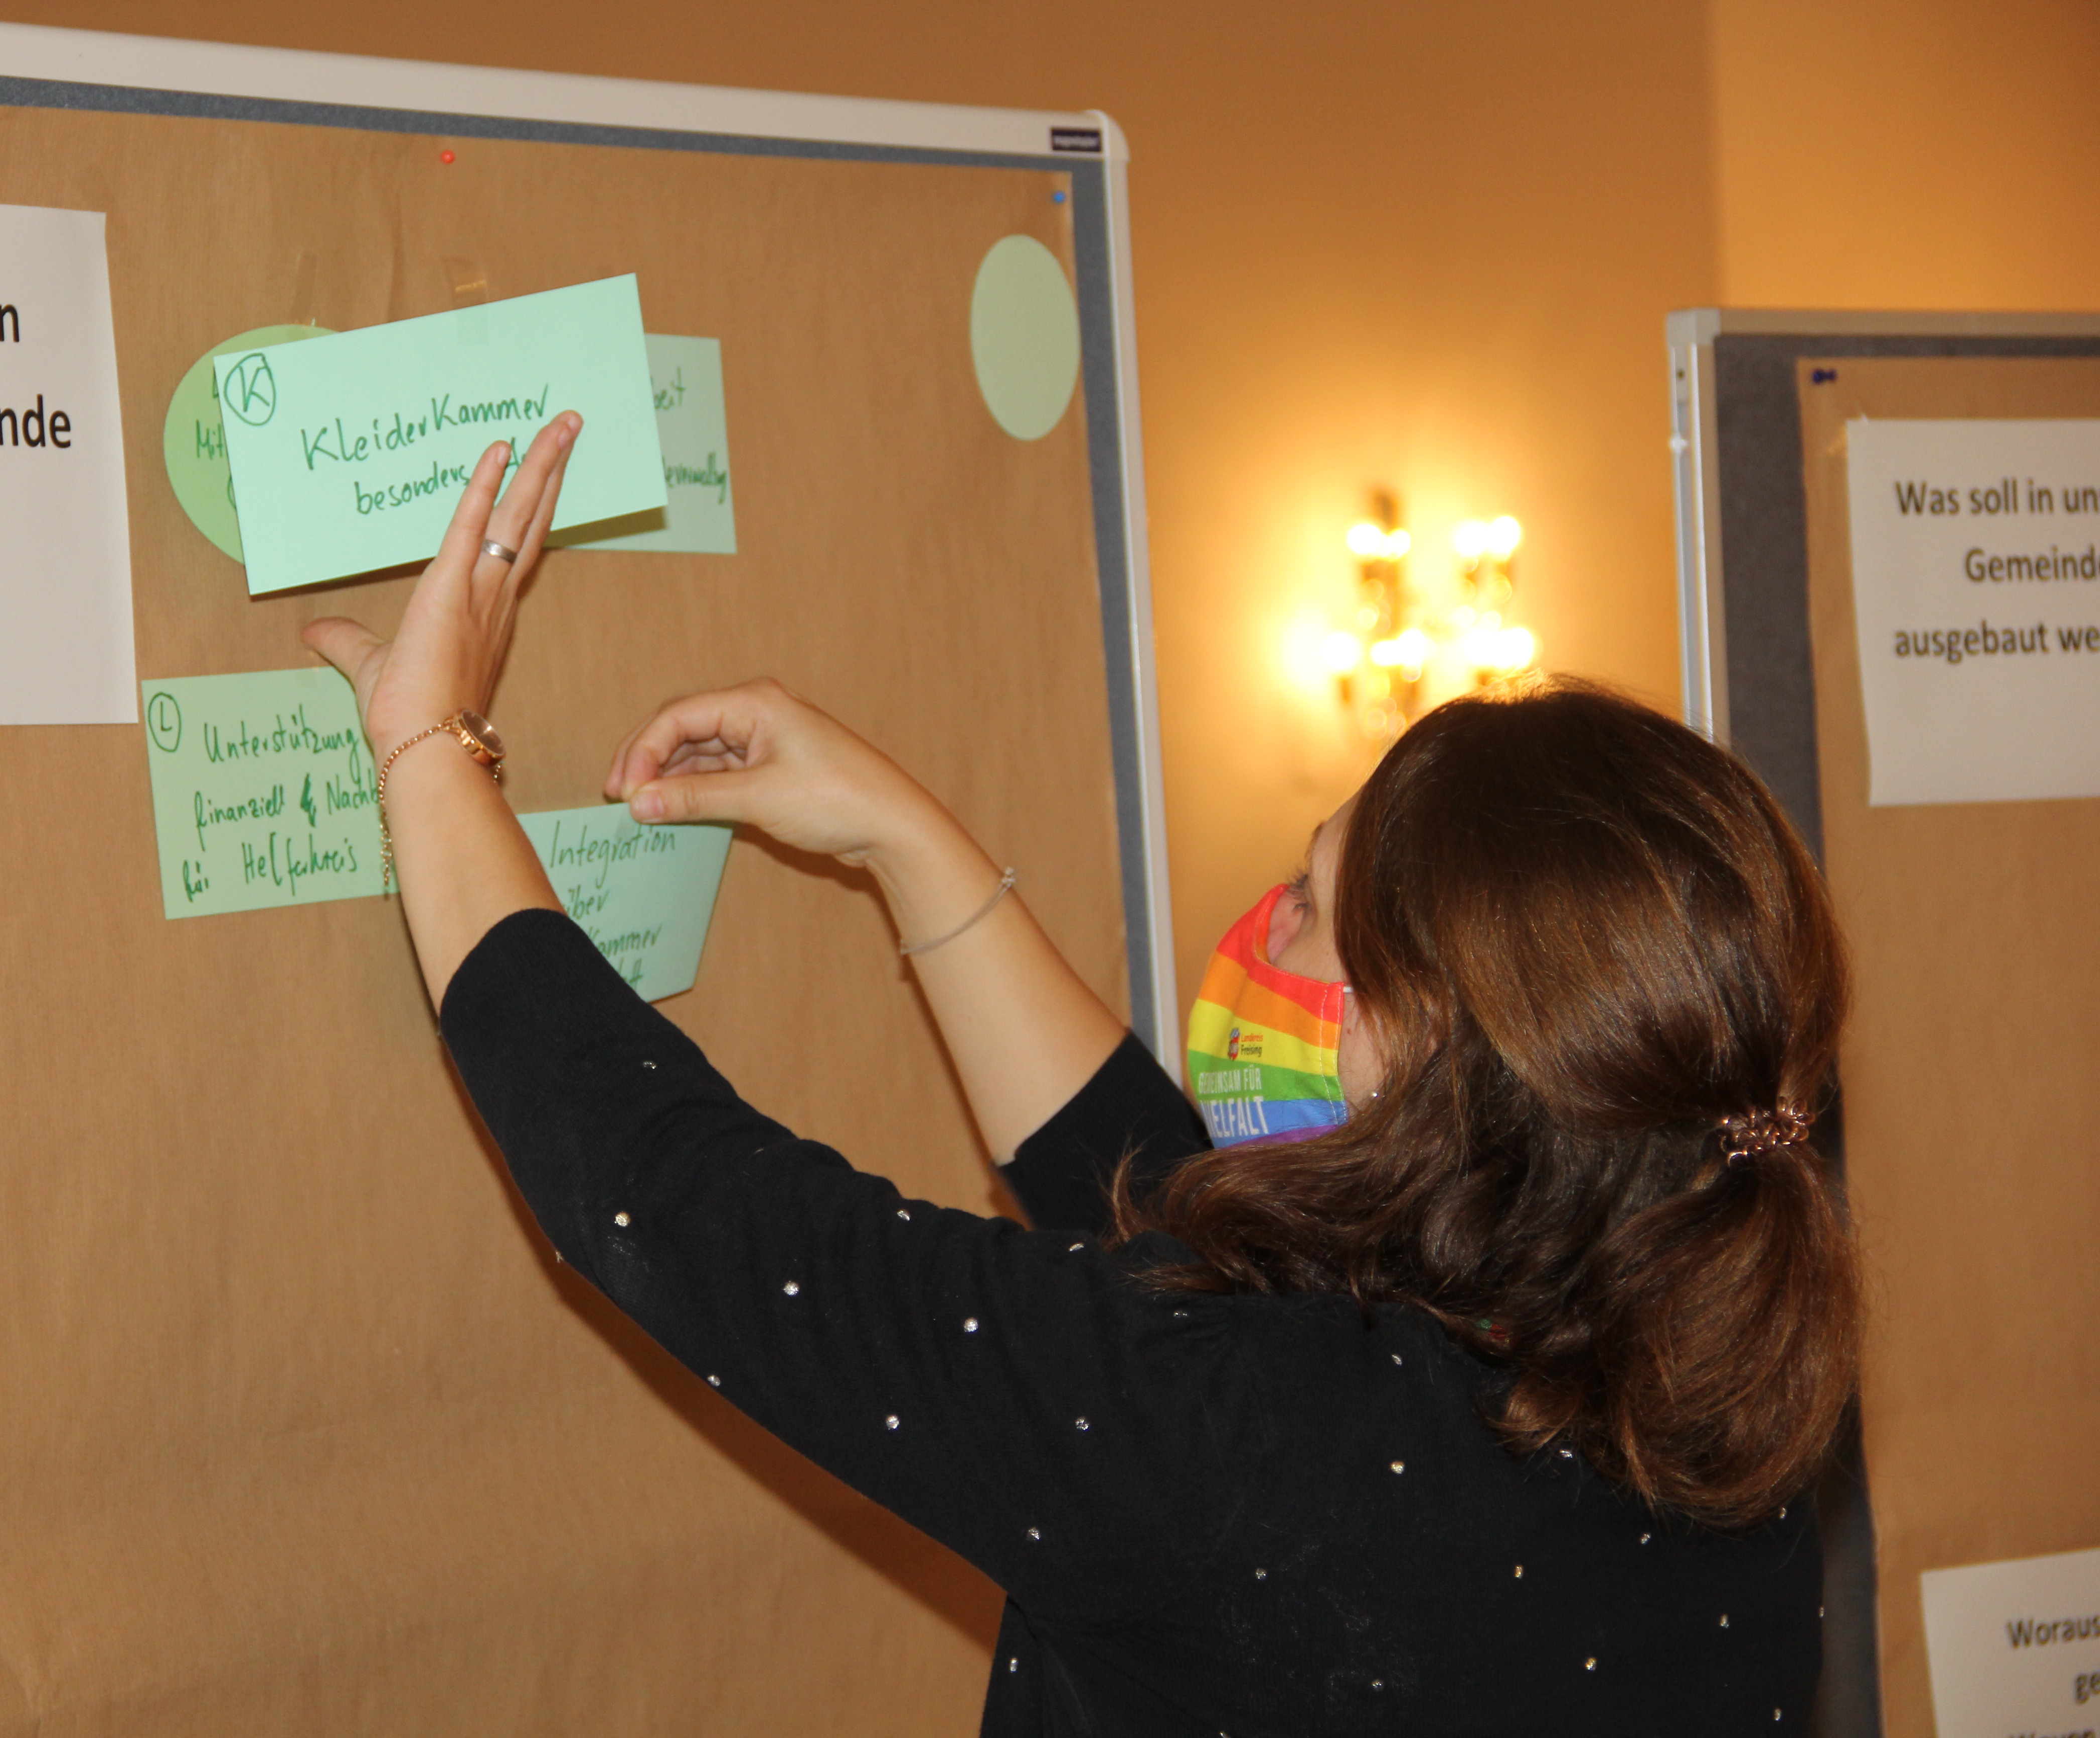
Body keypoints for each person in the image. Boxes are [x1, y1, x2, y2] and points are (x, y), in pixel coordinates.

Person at [304, 419, 1862, 1736]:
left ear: (1429, 1041)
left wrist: (429, 747)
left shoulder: (1249, 1435)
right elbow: (1173, 1221)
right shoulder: (1711, 1402)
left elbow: (689, 1209)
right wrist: (907, 843)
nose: (1265, 926)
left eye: (1311, 899)